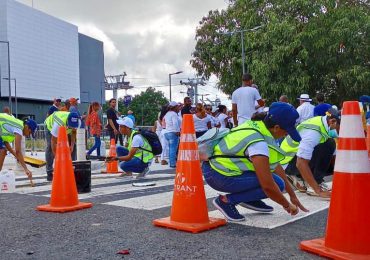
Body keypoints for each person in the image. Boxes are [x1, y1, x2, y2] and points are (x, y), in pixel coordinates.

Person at [202, 102, 307, 221]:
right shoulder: (258, 142)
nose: (287, 134)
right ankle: (226, 201)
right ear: (276, 127)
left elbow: (276, 166)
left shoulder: (256, 126)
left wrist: (292, 196)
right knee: (277, 184)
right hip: (219, 175)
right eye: (287, 131)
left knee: (276, 181)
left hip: (215, 168)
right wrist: (287, 205)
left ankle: (248, 198)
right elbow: (268, 185)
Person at [280, 108, 340, 198]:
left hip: (295, 157)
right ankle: (313, 184)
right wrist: (318, 190)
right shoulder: (313, 133)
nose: (340, 131)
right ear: (333, 121)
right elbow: (300, 163)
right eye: (341, 127)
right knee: (329, 144)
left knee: (329, 149)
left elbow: (335, 158)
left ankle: (302, 177)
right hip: (288, 162)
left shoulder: (323, 124)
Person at [0, 114, 38, 186]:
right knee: (2, 151)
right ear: (27, 127)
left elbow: (6, 144)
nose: (27, 135)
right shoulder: (19, 128)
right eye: (29, 132)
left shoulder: (14, 127)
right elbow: (18, 151)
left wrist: (18, 158)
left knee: (3, 150)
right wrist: (26, 169)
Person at [44, 111, 80, 181]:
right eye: (71, 125)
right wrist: (57, 158)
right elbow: (53, 141)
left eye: (73, 125)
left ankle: (71, 169)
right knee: (50, 148)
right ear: (67, 121)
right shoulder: (59, 123)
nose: (72, 127)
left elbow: (73, 132)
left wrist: (72, 146)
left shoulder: (77, 121)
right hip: (50, 126)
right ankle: (49, 172)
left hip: (65, 129)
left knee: (74, 146)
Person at [163, 101, 181, 168]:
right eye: (177, 106)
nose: (178, 108)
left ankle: (172, 163)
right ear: (175, 107)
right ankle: (173, 164)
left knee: (171, 148)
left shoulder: (167, 114)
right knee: (173, 149)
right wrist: (177, 131)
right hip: (173, 132)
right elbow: (175, 123)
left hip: (167, 132)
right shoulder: (174, 114)